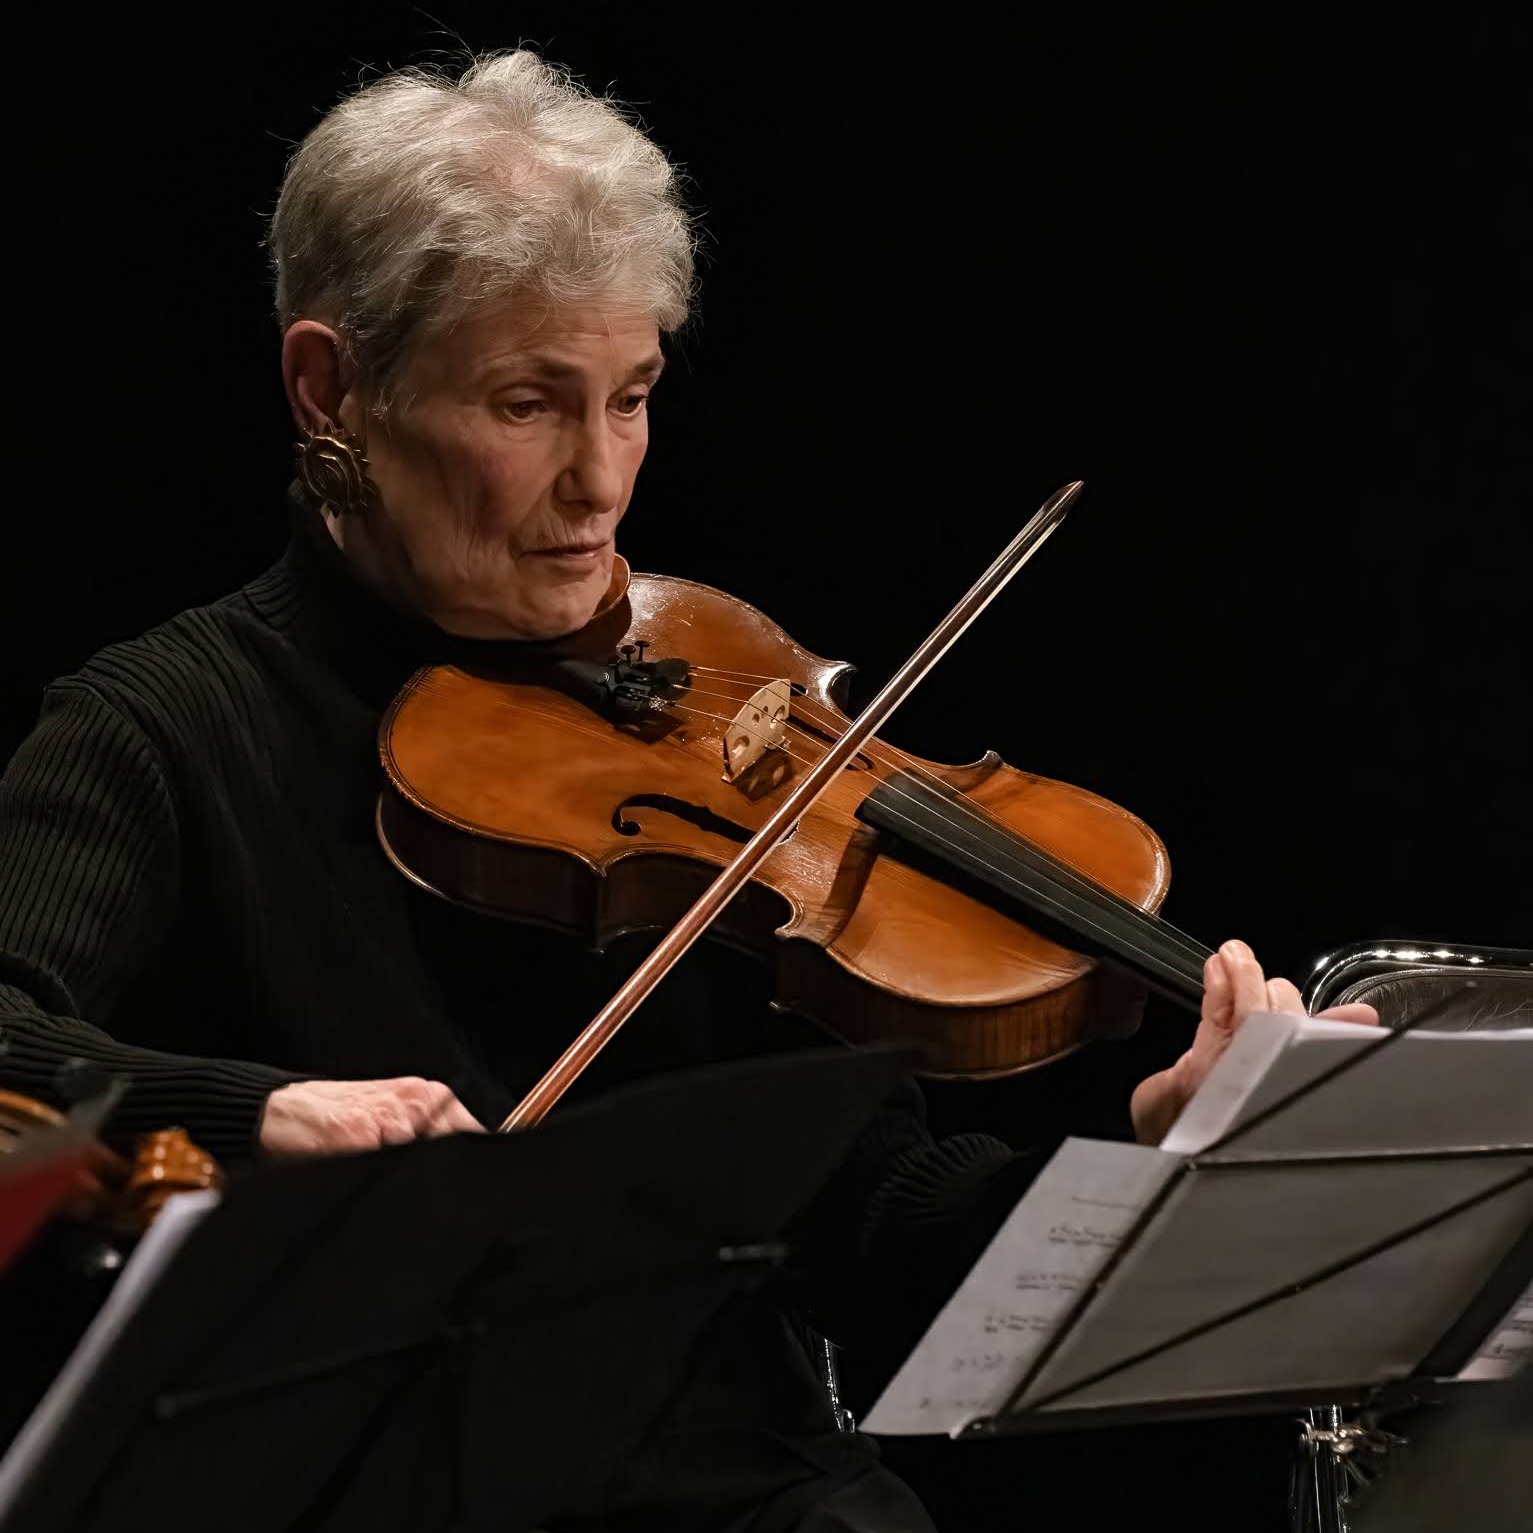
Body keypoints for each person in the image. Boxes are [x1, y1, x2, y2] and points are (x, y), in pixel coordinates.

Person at [0, 51, 1376, 1531]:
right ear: (333, 388)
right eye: (527, 405)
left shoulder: (708, 720)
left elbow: (871, 1223)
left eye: (634, 398)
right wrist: (262, 1114)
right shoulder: (163, 729)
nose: (600, 483)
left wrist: (1147, 1163)